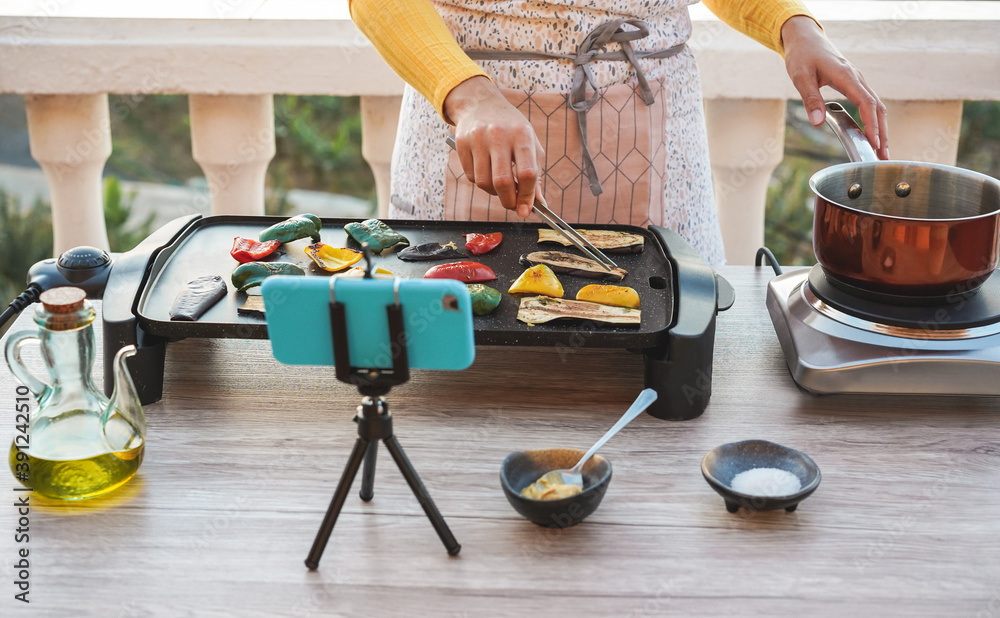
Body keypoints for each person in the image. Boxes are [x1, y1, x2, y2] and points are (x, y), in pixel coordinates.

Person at [350, 0, 888, 264]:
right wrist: (464, 91)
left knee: (672, 342)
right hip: (465, 122)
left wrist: (792, 26)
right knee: (453, 359)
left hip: (657, 130)